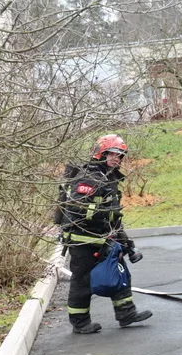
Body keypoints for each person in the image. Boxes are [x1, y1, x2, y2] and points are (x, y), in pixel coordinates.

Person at [56, 134, 153, 334]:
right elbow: (80, 212)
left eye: (120, 156)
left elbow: (113, 218)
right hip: (83, 242)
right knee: (82, 282)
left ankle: (127, 314)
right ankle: (80, 322)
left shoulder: (107, 179)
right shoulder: (89, 179)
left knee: (118, 272)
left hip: (103, 240)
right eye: (113, 154)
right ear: (101, 153)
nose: (117, 159)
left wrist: (127, 244)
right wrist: (104, 215)